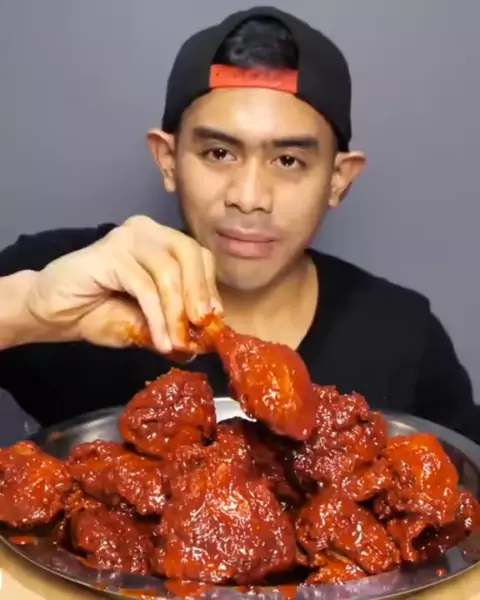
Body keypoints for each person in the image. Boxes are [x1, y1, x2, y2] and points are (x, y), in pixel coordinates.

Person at [0, 6, 478, 442]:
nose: (249, 198)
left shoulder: (405, 336)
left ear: (338, 180)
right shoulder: (63, 275)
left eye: (288, 161)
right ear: (168, 160)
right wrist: (29, 310)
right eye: (218, 153)